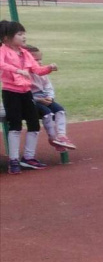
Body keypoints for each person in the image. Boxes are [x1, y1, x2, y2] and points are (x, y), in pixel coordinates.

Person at [0, 21, 58, 173]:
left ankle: (28, 157)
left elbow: (37, 70)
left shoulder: (25, 53)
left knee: (34, 123)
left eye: (24, 34)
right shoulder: (3, 51)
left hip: (26, 93)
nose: (23, 37)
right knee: (15, 125)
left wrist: (49, 68)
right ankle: (13, 160)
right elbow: (1, 64)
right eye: (19, 34)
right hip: (11, 93)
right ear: (6, 38)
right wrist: (17, 70)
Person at [24, 44, 76, 151]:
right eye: (36, 60)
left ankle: (61, 136)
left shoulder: (42, 72)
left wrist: (50, 97)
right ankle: (53, 138)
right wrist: (39, 100)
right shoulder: (25, 74)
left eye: (40, 59)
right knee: (47, 113)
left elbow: (48, 86)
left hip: (45, 97)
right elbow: (24, 93)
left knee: (60, 110)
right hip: (32, 100)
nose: (40, 62)